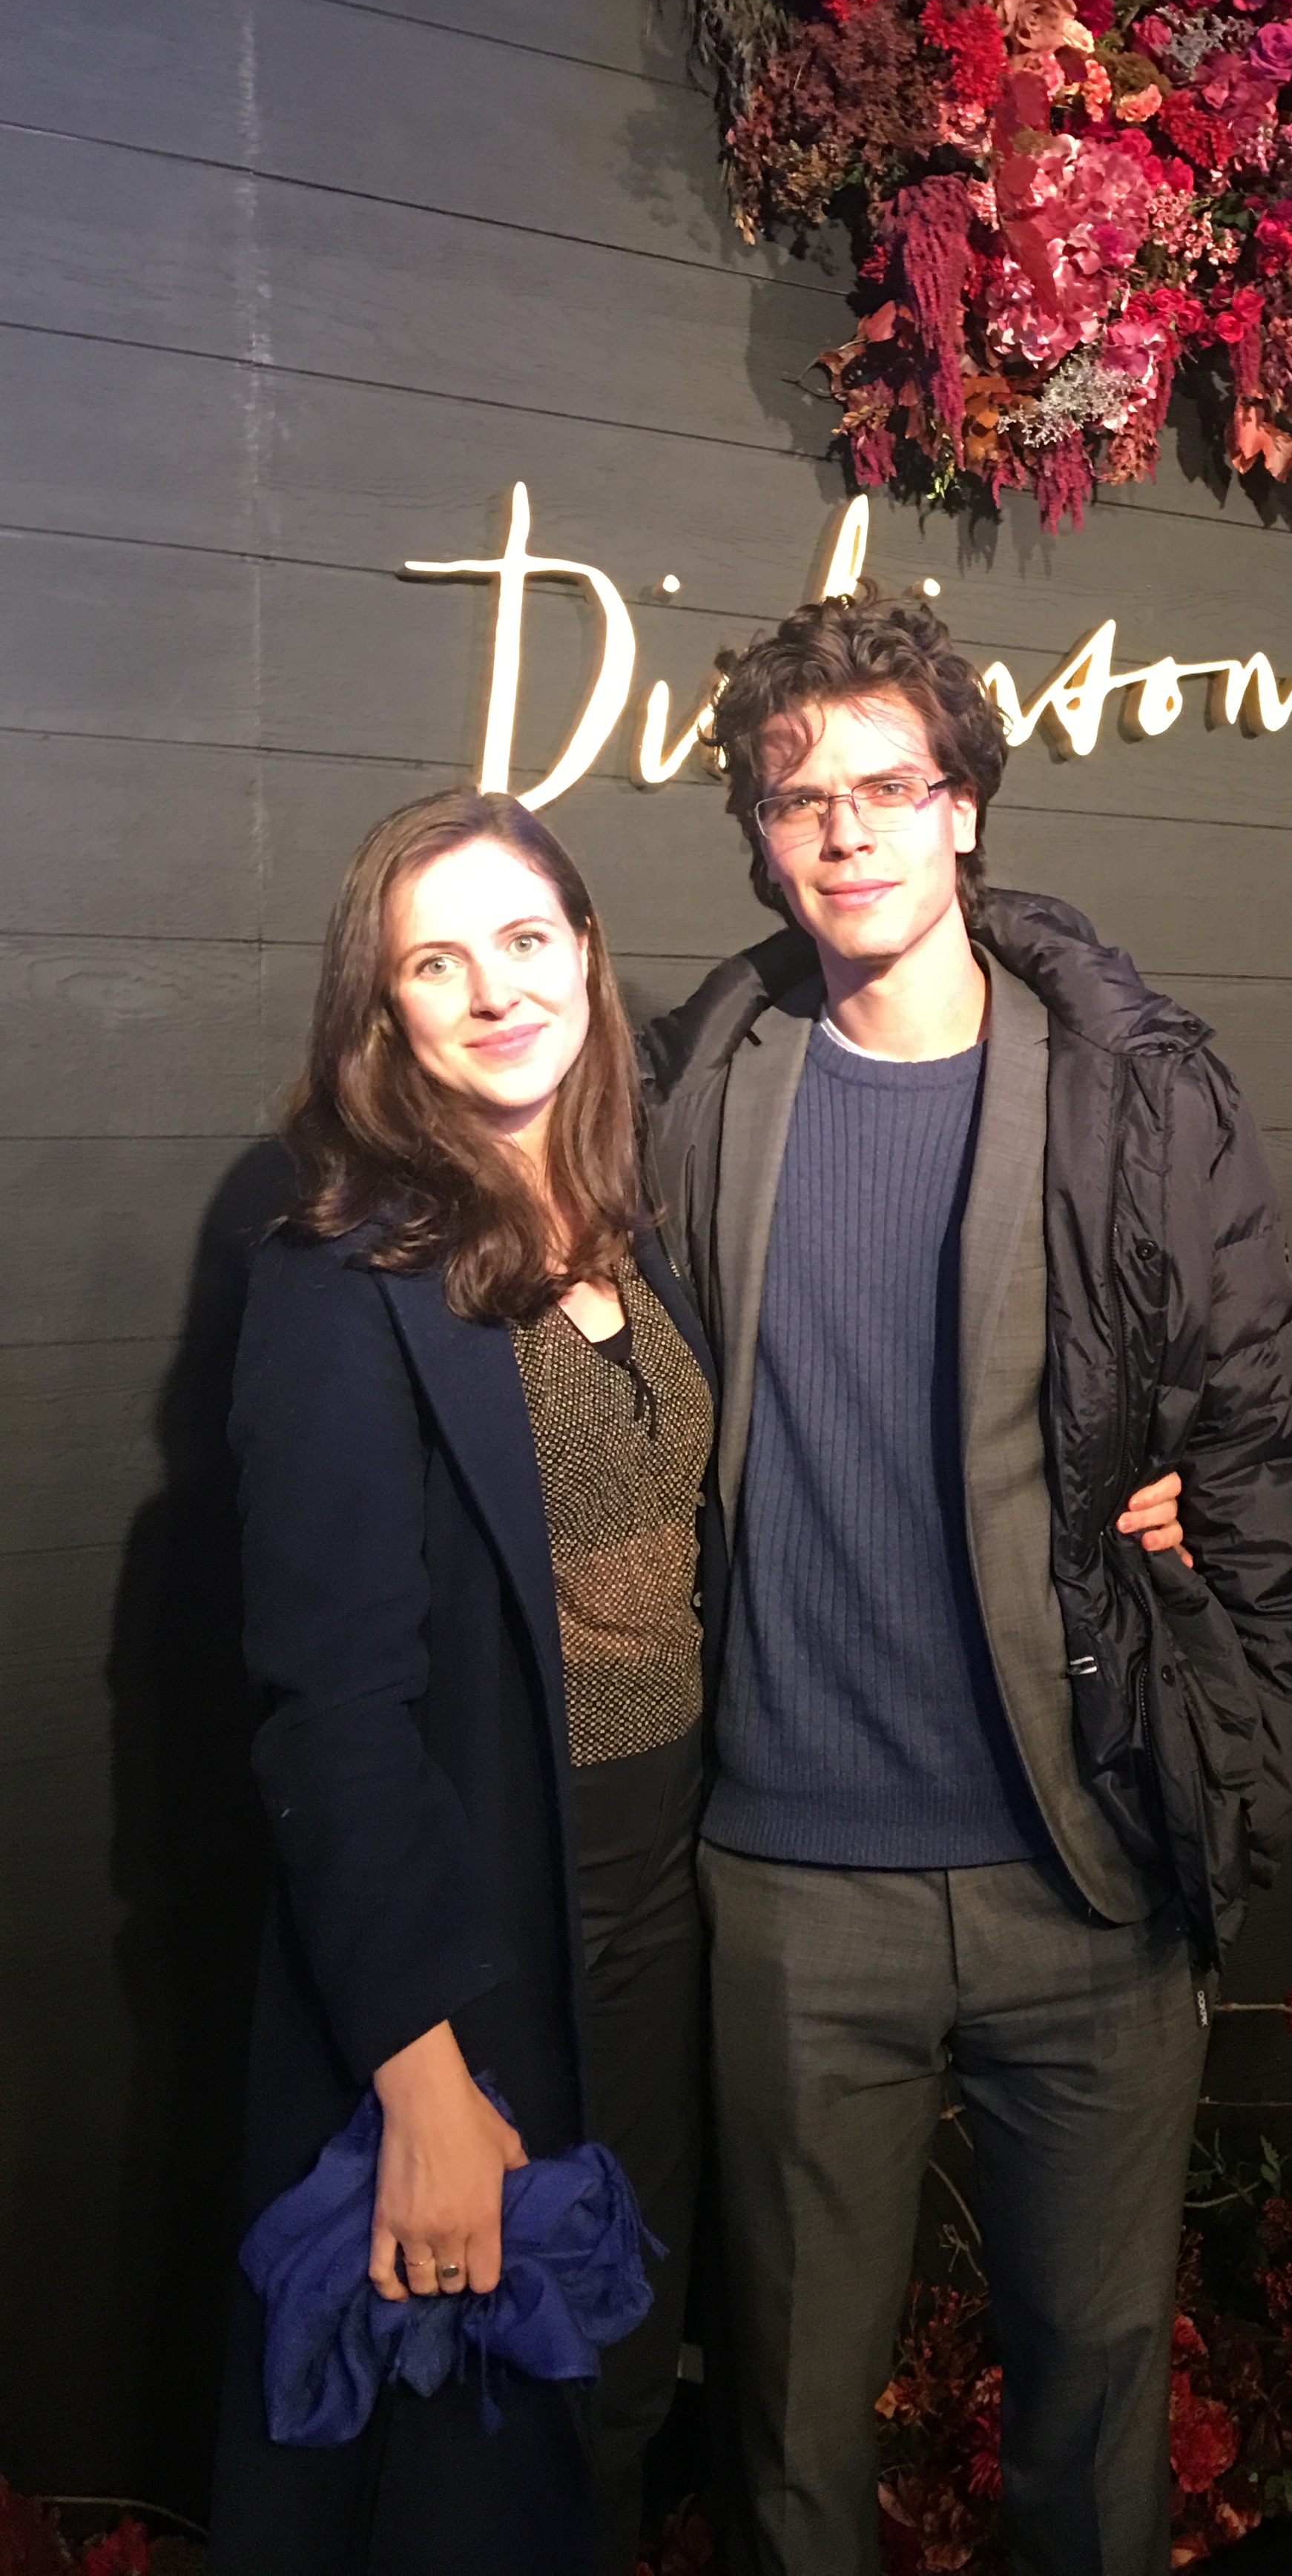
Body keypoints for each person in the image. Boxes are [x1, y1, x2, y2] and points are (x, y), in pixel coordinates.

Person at [642, 589, 1292, 2576]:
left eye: (889, 785)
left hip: (1087, 1872)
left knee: (1096, 2394)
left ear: (965, 811)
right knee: (784, 2440)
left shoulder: (1132, 1091)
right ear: (762, 837)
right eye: (803, 798)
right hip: (788, 1886)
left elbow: (1266, 1450)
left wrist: (1227, 1778)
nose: (847, 829)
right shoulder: (702, 1090)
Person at [209, 790, 717, 2576]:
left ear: (585, 951)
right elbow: (328, 1709)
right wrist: (424, 2072)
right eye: (439, 960)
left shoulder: (631, 1235)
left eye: (525, 938)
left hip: (673, 1910)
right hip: (497, 1925)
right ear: (386, 1015)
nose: (496, 988)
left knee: (630, 2387)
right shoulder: (342, 1278)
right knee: (485, 2455)